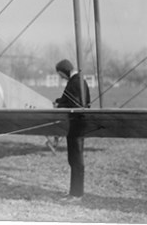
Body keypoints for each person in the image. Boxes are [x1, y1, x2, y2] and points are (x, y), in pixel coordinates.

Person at [53, 59, 90, 202]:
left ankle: (76, 194)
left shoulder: (76, 81)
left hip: (77, 125)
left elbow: (76, 104)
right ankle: (74, 193)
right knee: (73, 160)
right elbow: (69, 100)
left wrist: (59, 105)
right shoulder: (77, 80)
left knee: (76, 160)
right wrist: (59, 102)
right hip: (76, 124)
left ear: (65, 71)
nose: (61, 77)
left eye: (61, 74)